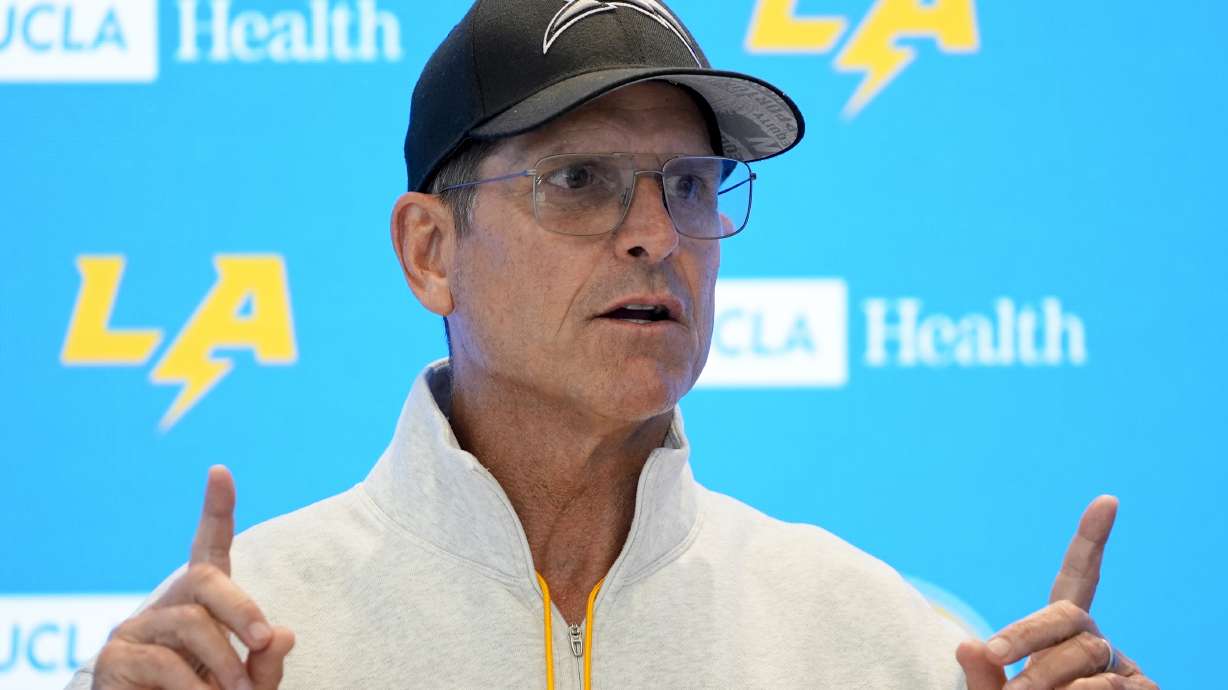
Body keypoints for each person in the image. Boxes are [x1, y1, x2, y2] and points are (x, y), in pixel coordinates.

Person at [71, 1, 1157, 688]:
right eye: (579, 181)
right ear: (429, 250)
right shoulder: (245, 640)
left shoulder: (870, 634)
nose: (654, 236)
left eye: (689, 185)